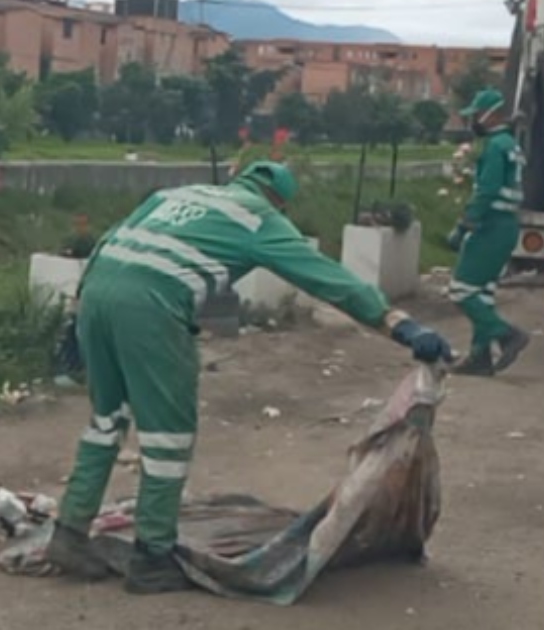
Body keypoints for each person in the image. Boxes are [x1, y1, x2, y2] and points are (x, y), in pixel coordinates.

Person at [45, 161, 454, 595]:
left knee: (106, 421)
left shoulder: (176, 195)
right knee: (168, 438)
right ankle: (152, 557)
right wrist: (398, 324)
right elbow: (325, 277)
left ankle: (69, 534)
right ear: (279, 201)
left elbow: (108, 241)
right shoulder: (259, 218)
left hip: (97, 294)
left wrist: (76, 316)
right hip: (151, 305)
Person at [445, 87, 531, 376]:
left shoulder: (494, 147)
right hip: (507, 226)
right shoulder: (510, 144)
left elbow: (487, 190)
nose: (473, 121)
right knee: (483, 294)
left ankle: (507, 335)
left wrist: (463, 225)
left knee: (460, 291)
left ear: (491, 115)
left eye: (477, 114)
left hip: (491, 226)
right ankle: (480, 356)